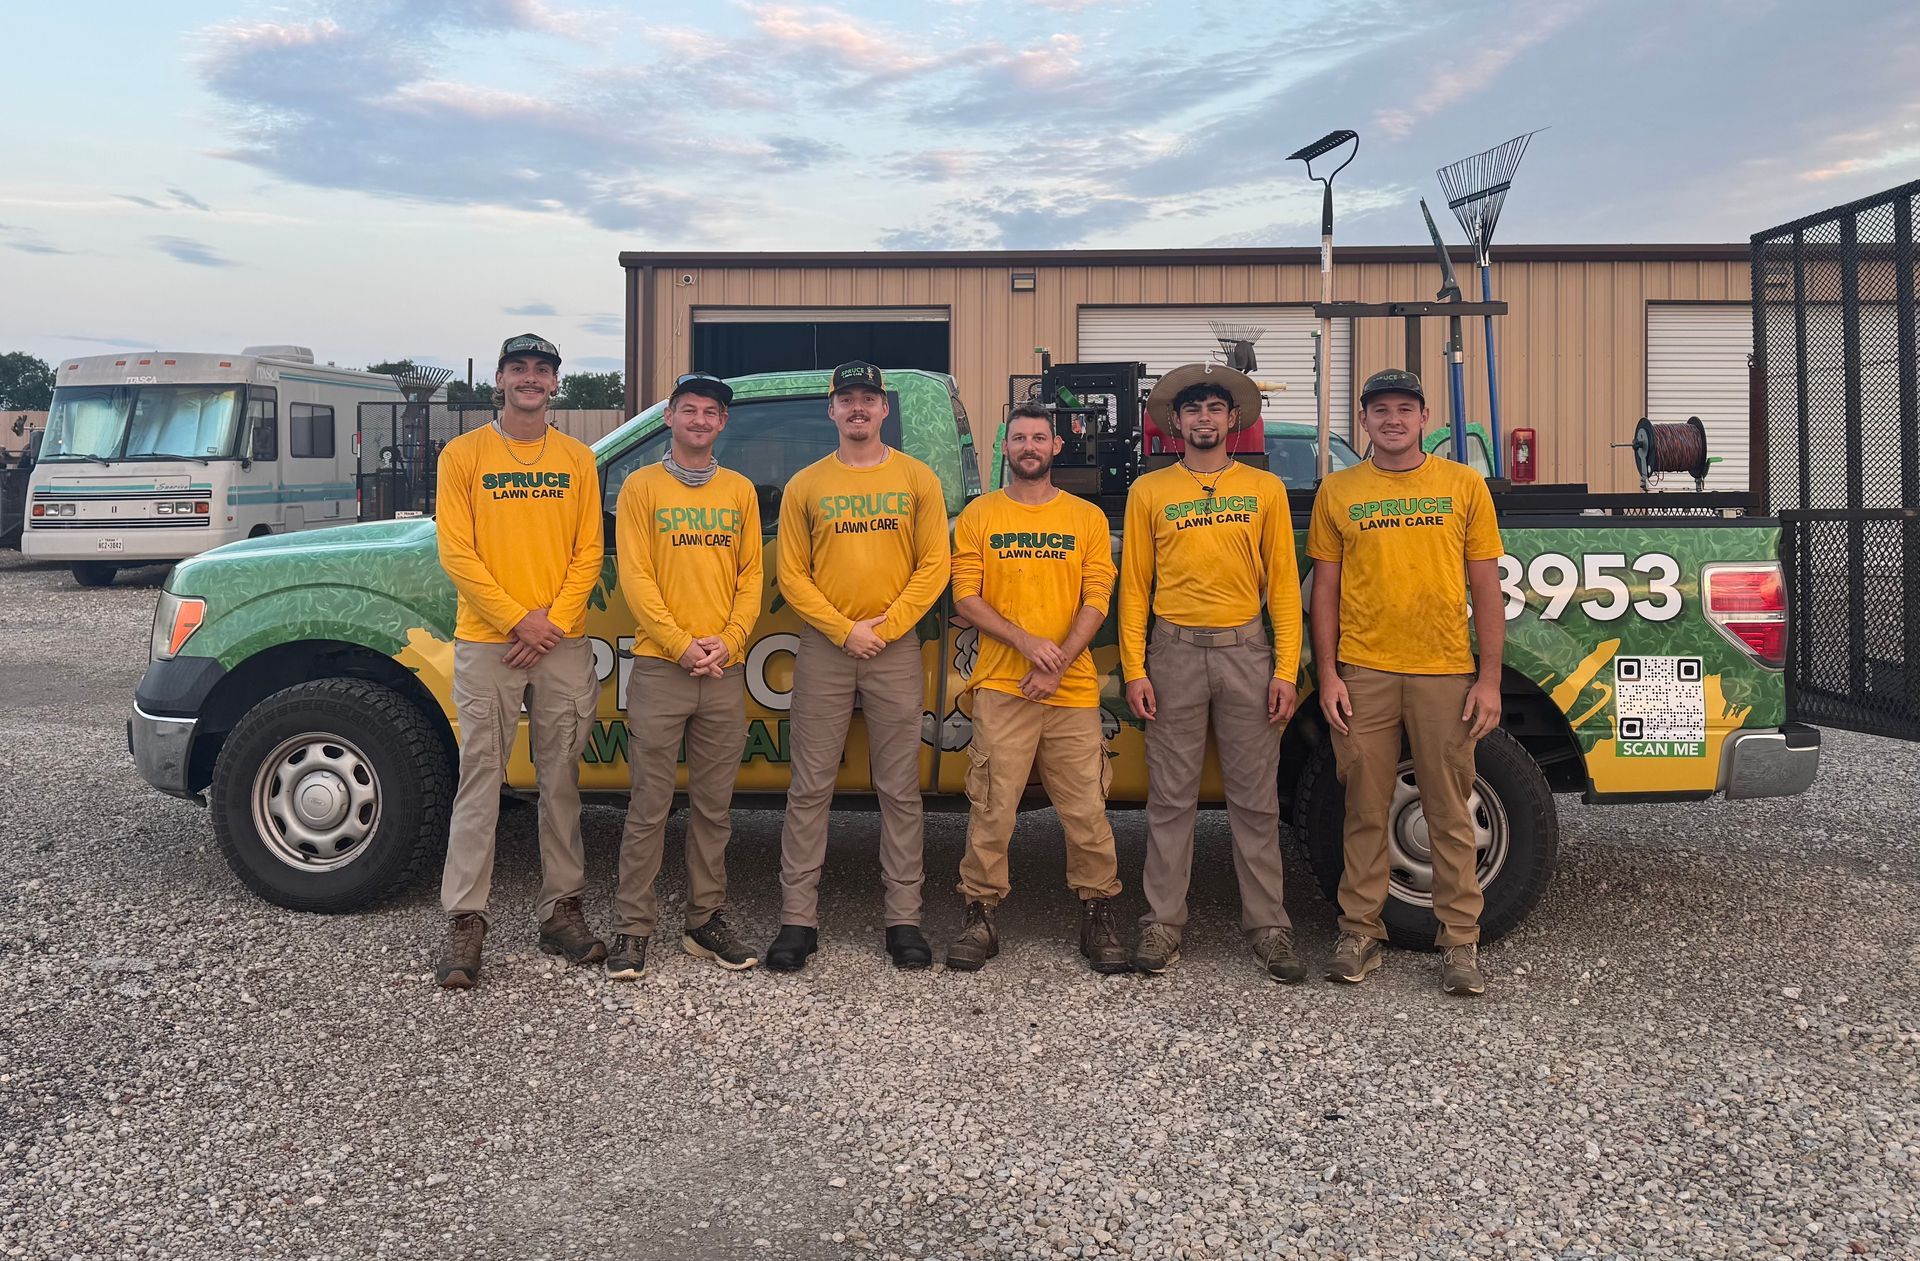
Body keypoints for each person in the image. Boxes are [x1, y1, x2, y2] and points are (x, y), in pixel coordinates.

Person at [1309, 368, 1505, 996]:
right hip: (1364, 671)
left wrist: (1489, 680)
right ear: (1363, 421)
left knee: (1448, 808)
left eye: (1405, 408)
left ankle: (1460, 943)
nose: (1392, 419)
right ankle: (1360, 932)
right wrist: (1329, 675)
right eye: (1379, 409)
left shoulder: (1462, 485)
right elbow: (1326, 594)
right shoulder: (1338, 491)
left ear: (1425, 420)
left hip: (1444, 671)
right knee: (1363, 806)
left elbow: (1485, 587)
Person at [1119, 363, 1304, 981]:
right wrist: (1135, 670)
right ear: (1175, 422)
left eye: (1214, 409)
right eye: (1192, 409)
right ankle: (1162, 924)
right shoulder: (1149, 491)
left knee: (1255, 800)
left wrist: (1285, 669)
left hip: (1246, 651)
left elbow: (1282, 584)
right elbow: (1135, 588)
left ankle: (1269, 928)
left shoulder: (1263, 490)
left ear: (1234, 421)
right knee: (1171, 798)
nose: (1204, 419)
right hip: (1172, 652)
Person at [433, 333, 606, 990]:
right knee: (480, 779)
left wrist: (550, 624)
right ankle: (466, 919)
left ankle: (561, 910)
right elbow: (457, 551)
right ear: (500, 379)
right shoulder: (464, 455)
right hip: (489, 641)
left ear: (556, 383)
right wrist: (518, 620)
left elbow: (589, 550)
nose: (531, 378)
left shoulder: (576, 459)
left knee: (560, 780)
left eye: (543, 369)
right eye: (519, 368)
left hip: (560, 644)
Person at [766, 361, 951, 971]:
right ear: (831, 410)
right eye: (846, 398)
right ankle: (798, 920)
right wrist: (845, 630)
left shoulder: (915, 478)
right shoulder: (806, 485)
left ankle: (904, 919)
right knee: (809, 788)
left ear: (884, 410)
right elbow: (792, 574)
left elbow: (933, 566)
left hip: (894, 650)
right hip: (826, 646)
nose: (858, 408)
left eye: (869, 398)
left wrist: (885, 629)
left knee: (899, 790)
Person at [944, 403, 1127, 974]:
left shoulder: (1086, 519)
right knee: (993, 807)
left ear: (1056, 448)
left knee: (1086, 809)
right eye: (1019, 437)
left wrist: (1059, 660)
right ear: (1008, 449)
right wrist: (1027, 644)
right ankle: (979, 912)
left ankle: (1097, 909)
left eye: (1039, 437)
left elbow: (1098, 595)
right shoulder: (980, 516)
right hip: (1002, 683)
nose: (1029, 446)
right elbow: (965, 597)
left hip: (1070, 691)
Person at [607, 372, 763, 979]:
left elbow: (752, 577)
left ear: (723, 423)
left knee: (714, 807)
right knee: (648, 805)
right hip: (660, 666)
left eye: (710, 413)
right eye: (688, 410)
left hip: (725, 668)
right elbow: (636, 579)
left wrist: (726, 642)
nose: (699, 420)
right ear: (669, 418)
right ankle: (631, 928)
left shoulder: (739, 491)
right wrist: (680, 645)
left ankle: (706, 920)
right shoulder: (640, 488)